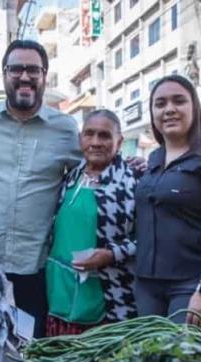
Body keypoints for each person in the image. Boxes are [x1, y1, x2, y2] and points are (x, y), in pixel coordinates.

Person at [0, 39, 83, 339]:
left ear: (44, 75)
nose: (25, 76)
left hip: (37, 269)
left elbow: (89, 174)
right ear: (4, 74)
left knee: (31, 356)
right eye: (16, 69)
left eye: (33, 70)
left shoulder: (64, 128)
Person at [134, 75, 201, 331]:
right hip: (147, 286)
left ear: (194, 107)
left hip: (192, 284)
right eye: (160, 104)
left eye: (179, 101)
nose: (169, 109)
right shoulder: (154, 159)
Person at [45, 109, 138, 337]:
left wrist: (111, 254)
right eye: (89, 134)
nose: (95, 142)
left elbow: (149, 240)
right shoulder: (70, 178)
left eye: (105, 136)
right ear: (80, 139)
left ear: (119, 142)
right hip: (60, 291)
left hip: (108, 297)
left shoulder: (133, 183)